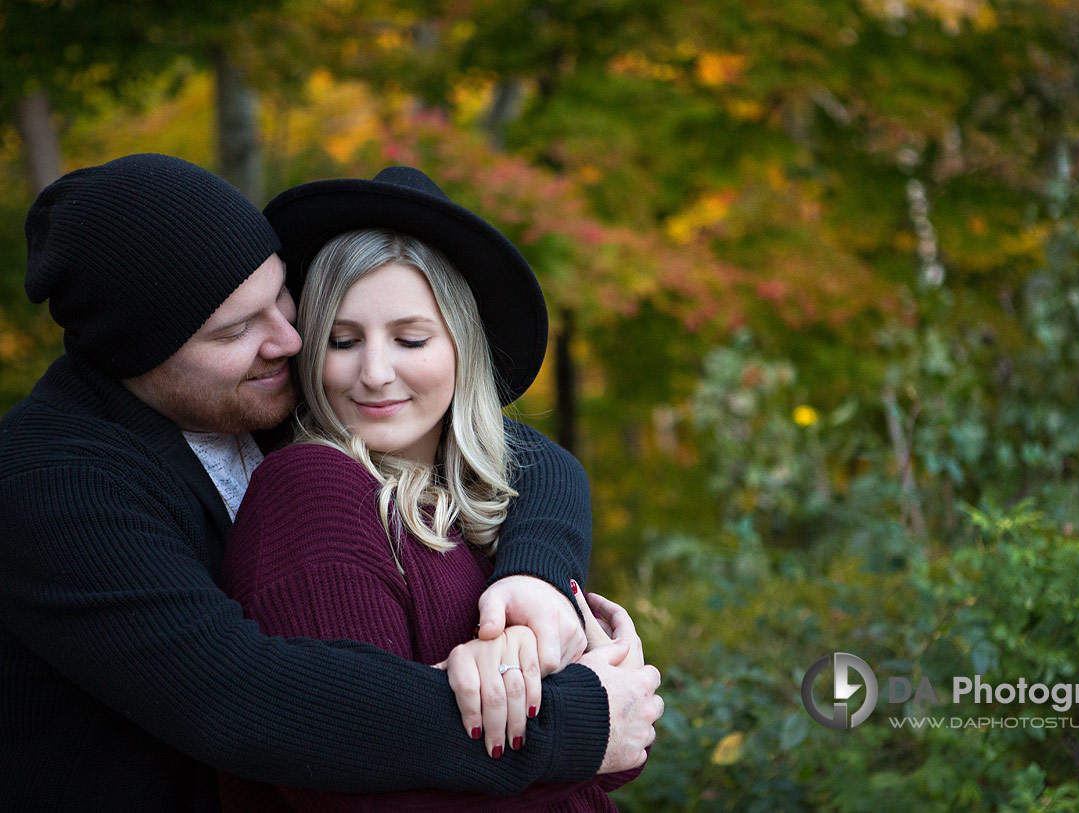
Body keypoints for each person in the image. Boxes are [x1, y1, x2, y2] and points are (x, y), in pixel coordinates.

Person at [0, 154, 662, 811]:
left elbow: (521, 453)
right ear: (134, 356)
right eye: (237, 328)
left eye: (281, 295)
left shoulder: (260, 392)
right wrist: (577, 721)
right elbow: (245, 697)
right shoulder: (54, 484)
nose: (290, 339)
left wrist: (534, 579)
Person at [220, 166, 651, 810]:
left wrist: (553, 668)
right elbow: (341, 788)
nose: (374, 373)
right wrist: (587, 713)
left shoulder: (485, 500)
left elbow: (608, 756)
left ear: (461, 347)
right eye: (341, 341)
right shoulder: (313, 492)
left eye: (410, 338)